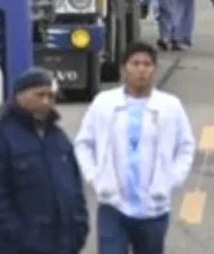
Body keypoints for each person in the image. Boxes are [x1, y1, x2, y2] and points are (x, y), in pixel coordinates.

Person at [74, 42, 196, 254]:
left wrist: (172, 178)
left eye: (147, 64)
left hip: (154, 209)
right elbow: (84, 143)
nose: (141, 70)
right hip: (113, 206)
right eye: (135, 64)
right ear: (124, 69)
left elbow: (185, 146)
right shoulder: (104, 103)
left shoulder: (170, 106)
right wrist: (95, 177)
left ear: (154, 70)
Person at [0, 68, 89, 254]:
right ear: (20, 95)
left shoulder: (57, 137)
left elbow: (75, 186)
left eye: (51, 96)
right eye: (39, 95)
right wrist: (20, 236)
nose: (46, 101)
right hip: (21, 247)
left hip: (64, 244)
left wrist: (80, 227)